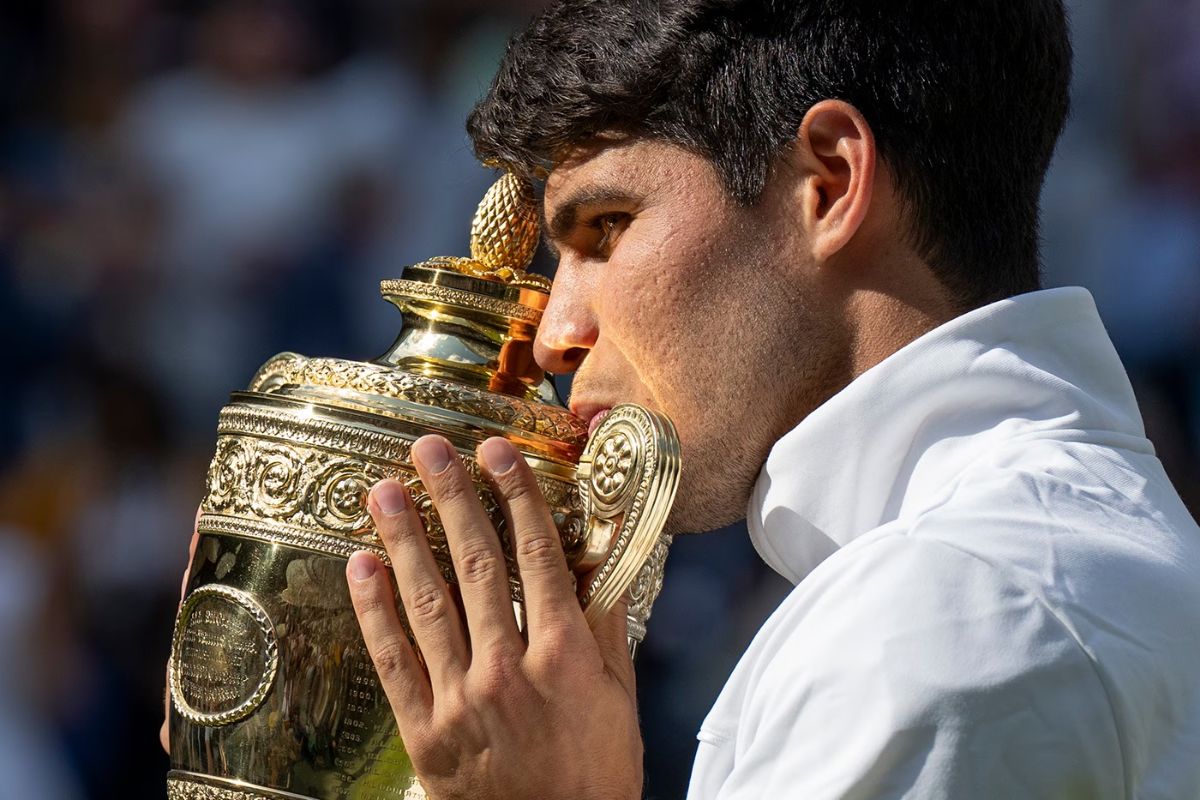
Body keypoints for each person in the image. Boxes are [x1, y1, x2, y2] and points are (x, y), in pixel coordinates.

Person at [334, 1, 1200, 797]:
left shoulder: (940, 620)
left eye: (606, 228)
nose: (554, 332)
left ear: (826, 183)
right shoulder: (1003, 568)